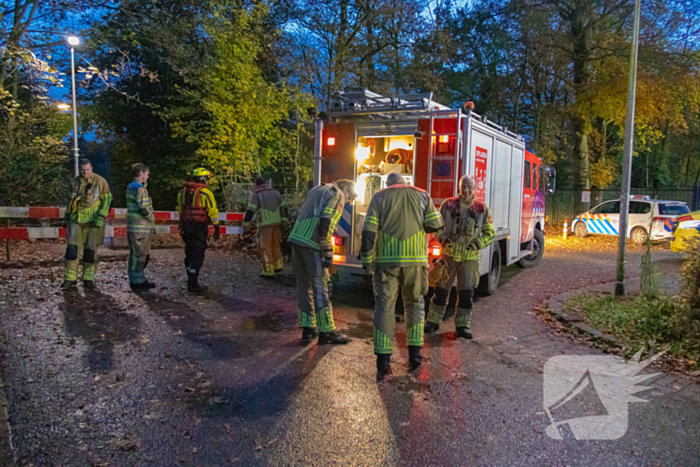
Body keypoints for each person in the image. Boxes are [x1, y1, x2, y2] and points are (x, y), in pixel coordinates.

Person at [360, 173, 443, 375]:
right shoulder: (422, 195)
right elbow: (435, 224)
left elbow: (369, 231)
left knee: (384, 307)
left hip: (386, 262)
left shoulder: (379, 197)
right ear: (404, 182)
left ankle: (383, 361)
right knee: (415, 305)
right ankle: (414, 357)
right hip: (415, 262)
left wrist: (366, 259)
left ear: (388, 184)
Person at [425, 174, 494, 339]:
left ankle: (463, 326)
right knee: (440, 290)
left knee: (466, 293)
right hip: (448, 257)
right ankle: (433, 322)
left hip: (469, 259)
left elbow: (489, 232)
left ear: (475, 189)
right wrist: (442, 238)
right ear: (459, 187)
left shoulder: (481, 209)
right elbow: (438, 225)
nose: (466, 190)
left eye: (470, 187)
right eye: (463, 186)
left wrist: (478, 244)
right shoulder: (447, 205)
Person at [289, 179, 357, 344]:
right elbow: (326, 220)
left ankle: (308, 327)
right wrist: (327, 249)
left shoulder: (318, 190)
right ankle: (327, 331)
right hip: (312, 244)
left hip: (297, 240)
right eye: (350, 197)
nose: (348, 201)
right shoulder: (337, 194)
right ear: (346, 188)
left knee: (304, 286)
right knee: (321, 287)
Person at [61, 158, 112, 289]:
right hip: (76, 220)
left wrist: (101, 216)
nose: (85, 173)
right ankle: (70, 279)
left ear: (91, 168)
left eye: (87, 170)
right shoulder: (74, 182)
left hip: (92, 222)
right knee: (72, 251)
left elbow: (107, 200)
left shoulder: (100, 182)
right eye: (83, 170)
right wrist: (67, 217)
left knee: (90, 252)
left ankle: (88, 279)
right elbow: (70, 202)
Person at [176, 168, 220, 295]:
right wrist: (216, 227)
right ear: (203, 179)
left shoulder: (182, 192)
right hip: (199, 228)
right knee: (198, 254)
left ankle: (191, 277)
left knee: (189, 253)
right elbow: (212, 211)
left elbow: (179, 208)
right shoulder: (206, 193)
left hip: (186, 227)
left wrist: (184, 221)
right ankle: (193, 283)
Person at [244, 176, 288, 278]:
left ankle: (268, 271)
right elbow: (284, 207)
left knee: (265, 247)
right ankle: (278, 266)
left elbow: (251, 210)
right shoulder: (276, 193)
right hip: (277, 223)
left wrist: (246, 224)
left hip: (265, 224)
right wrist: (284, 221)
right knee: (276, 245)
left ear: (256, 184)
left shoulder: (257, 195)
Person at [127, 163, 156, 292]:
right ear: (141, 173)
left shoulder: (130, 187)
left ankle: (135, 278)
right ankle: (138, 281)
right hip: (141, 228)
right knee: (140, 255)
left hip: (133, 227)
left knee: (134, 255)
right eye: (147, 174)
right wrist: (151, 219)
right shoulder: (140, 189)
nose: (147, 176)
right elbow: (144, 207)